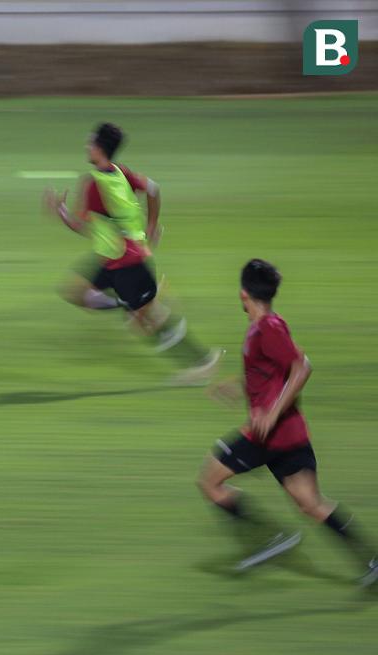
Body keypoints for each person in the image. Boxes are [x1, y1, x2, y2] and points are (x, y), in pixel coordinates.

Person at [197, 259, 378, 585]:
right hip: (291, 435)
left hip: (266, 436)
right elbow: (271, 371)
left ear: (242, 294)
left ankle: (272, 540)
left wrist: (272, 411)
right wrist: (238, 385)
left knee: (209, 482)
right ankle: (372, 561)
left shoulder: (268, 327)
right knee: (311, 504)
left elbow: (302, 366)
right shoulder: (267, 325)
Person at [44, 122, 219, 384]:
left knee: (146, 322)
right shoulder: (120, 172)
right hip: (113, 258)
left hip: (127, 264)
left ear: (99, 148)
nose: (86, 146)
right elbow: (154, 189)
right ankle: (129, 304)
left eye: (90, 142)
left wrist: (61, 212)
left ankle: (202, 362)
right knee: (77, 293)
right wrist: (150, 227)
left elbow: (82, 227)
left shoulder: (94, 185)